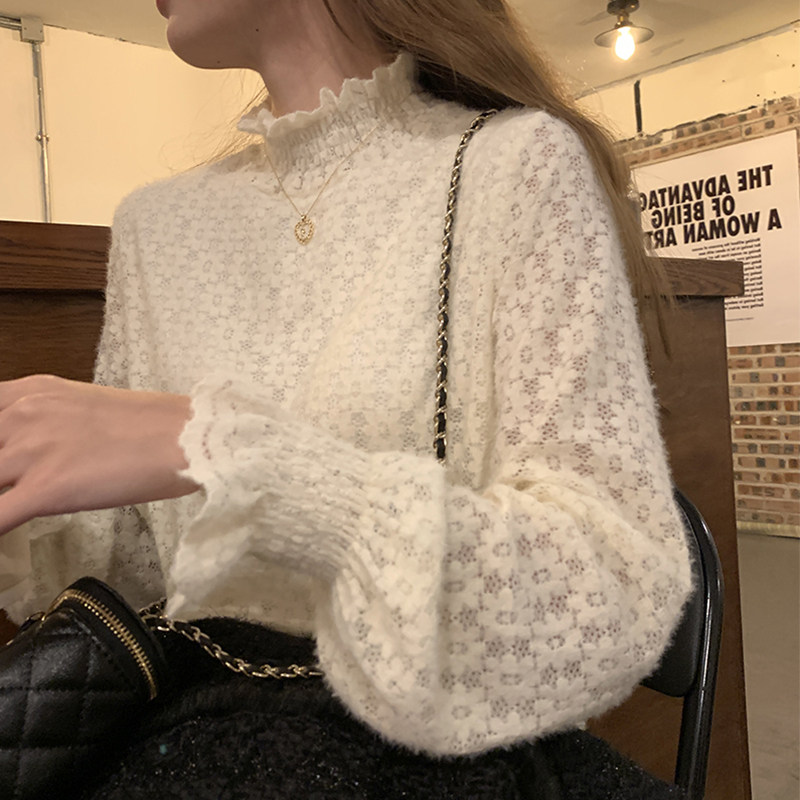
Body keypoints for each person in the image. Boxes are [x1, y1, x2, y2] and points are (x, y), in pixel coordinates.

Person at [0, 0, 692, 796]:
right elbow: (137, 575)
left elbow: (611, 588)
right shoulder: (154, 225)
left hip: (434, 751)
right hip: (192, 729)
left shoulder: (517, 164)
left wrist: (239, 456)